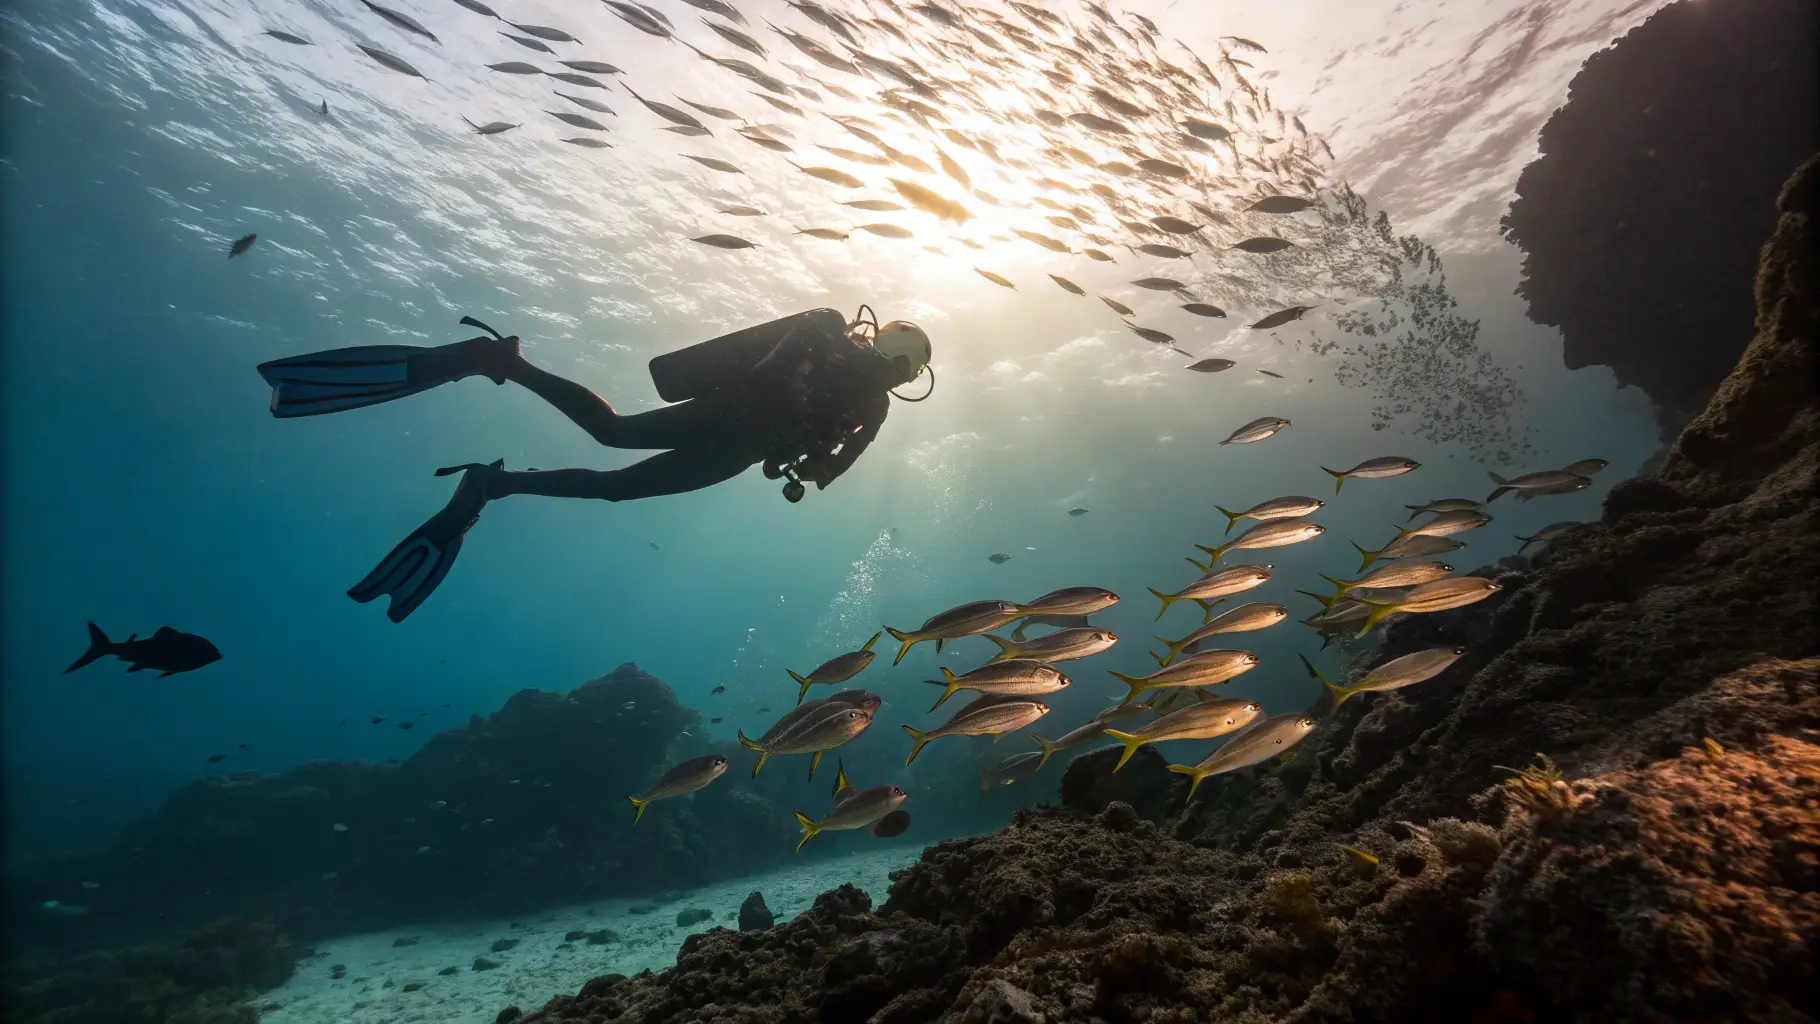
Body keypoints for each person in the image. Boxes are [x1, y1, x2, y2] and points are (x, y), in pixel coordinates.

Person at [257, 307, 933, 622]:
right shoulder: (872, 401)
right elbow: (828, 474)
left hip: (733, 430)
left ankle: (496, 474)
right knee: (613, 455)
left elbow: (783, 381)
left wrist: (804, 438)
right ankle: (505, 378)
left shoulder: (833, 338)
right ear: (911, 372)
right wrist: (808, 455)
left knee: (614, 469)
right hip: (735, 435)